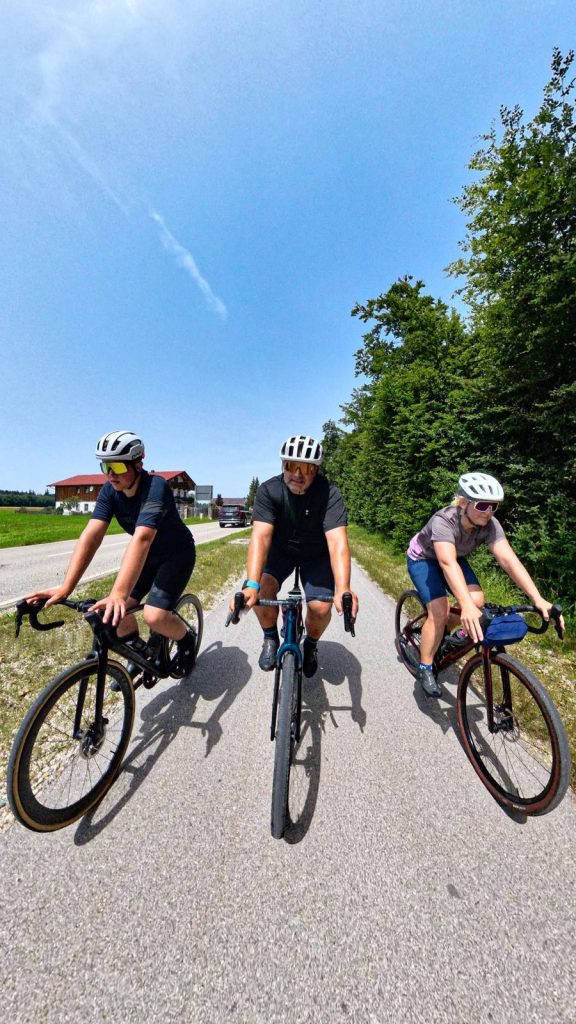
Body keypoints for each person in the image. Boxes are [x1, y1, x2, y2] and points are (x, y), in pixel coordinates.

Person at [25, 430, 197, 683]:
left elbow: (142, 538)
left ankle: (186, 640)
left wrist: (119, 592)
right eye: (105, 466)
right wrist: (66, 588)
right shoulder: (109, 491)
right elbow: (91, 536)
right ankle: (140, 654)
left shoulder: (155, 487)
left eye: (117, 465)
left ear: (138, 463)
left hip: (176, 555)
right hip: (147, 559)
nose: (110, 474)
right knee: (113, 613)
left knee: (154, 615)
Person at [406, 471, 564, 698]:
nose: (489, 511)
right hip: (424, 558)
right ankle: (425, 666)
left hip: (453, 555)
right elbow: (446, 563)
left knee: (477, 600)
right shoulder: (444, 521)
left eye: (494, 506)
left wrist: (538, 599)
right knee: (439, 610)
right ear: (464, 503)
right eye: (483, 505)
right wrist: (465, 606)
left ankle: (445, 632)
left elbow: (509, 560)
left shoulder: (490, 525)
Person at [230, 434, 359, 678]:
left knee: (321, 608)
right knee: (262, 591)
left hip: (316, 554)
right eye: (291, 465)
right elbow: (260, 537)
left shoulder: (329, 494)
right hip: (281, 552)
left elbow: (337, 542)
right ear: (283, 465)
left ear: (317, 470)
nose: (298, 474)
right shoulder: (269, 490)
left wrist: (344, 587)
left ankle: (310, 644)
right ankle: (270, 638)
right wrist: (251, 584)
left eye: (307, 468)